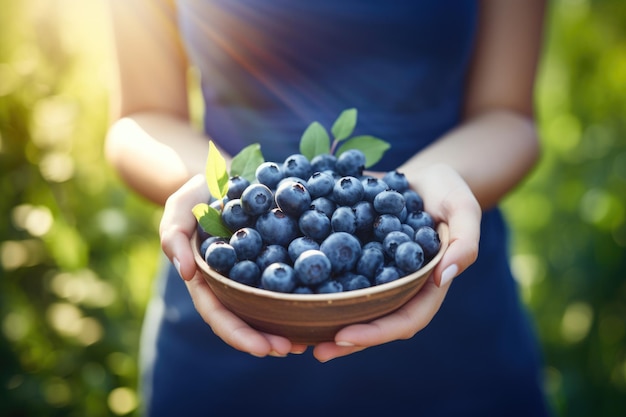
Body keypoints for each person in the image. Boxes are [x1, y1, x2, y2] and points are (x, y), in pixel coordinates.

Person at [104, 1, 551, 416]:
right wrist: (213, 187)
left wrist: (426, 185)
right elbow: (141, 115)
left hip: (449, 309)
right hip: (230, 300)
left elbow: (508, 114)